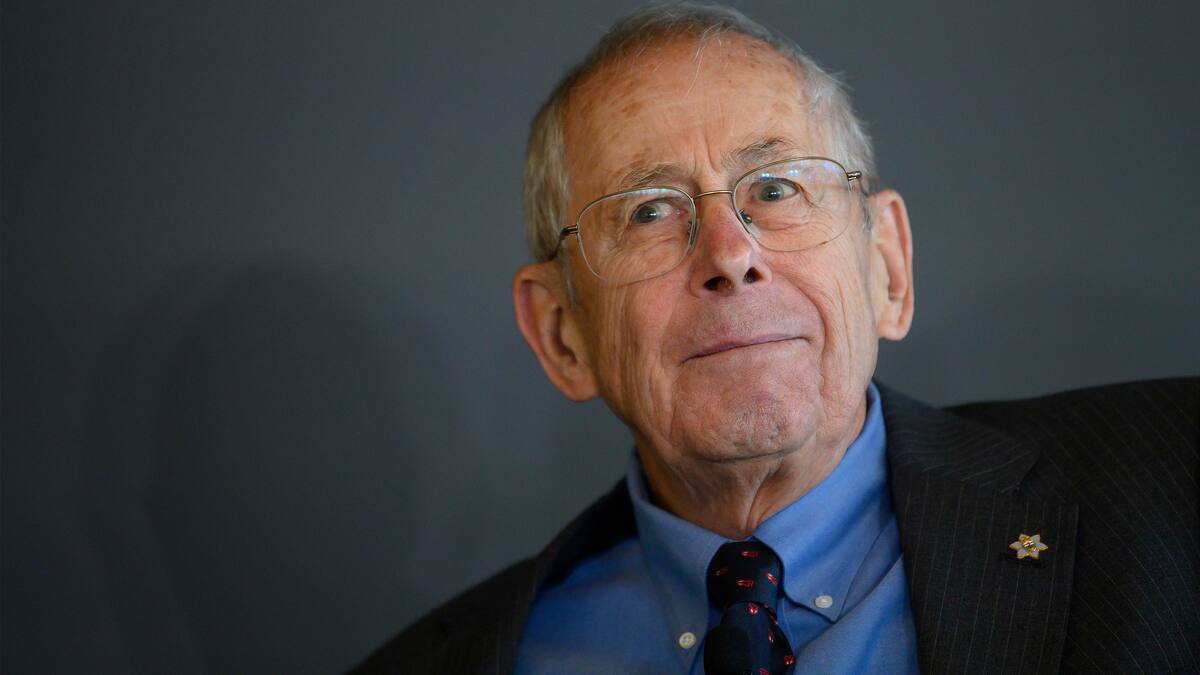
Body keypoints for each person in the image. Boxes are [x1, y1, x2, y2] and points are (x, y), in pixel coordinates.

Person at [351, 4, 1198, 673]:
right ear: (562, 334)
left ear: (887, 269)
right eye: (649, 211)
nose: (729, 254)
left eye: (778, 188)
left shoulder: (1174, 497)